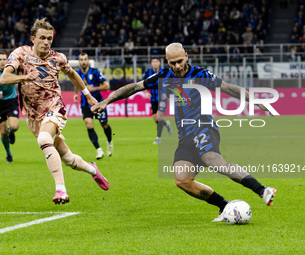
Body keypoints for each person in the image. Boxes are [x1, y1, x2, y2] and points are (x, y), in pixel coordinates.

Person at [91, 43, 276, 222]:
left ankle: (262, 189)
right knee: (182, 180)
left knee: (213, 161)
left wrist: (254, 100)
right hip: (185, 137)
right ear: (167, 61)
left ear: (186, 56)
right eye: (173, 63)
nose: (177, 66)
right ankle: (225, 206)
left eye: (180, 61)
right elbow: (134, 87)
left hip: (204, 127)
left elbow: (227, 87)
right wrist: (107, 101)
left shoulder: (200, 74)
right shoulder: (163, 76)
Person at [0, 18, 109, 204]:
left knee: (44, 139)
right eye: (42, 38)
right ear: (33, 39)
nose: (46, 42)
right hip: (33, 116)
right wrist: (26, 77)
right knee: (68, 159)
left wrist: (88, 95)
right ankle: (92, 169)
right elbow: (4, 78)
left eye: (49, 38)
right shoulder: (20, 53)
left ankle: (61, 191)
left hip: (54, 108)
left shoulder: (57, 58)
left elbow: (73, 74)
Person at [74, 53, 113, 159]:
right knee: (89, 125)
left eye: (85, 59)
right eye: (81, 59)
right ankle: (99, 150)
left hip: (98, 103)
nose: (83, 61)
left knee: (104, 125)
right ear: (79, 61)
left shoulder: (95, 72)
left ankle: (109, 141)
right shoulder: (77, 73)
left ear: (88, 60)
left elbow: (106, 85)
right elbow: (77, 84)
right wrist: (75, 94)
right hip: (85, 104)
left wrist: (93, 89)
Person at [143, 57, 172, 144]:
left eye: (156, 61)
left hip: (162, 98)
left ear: (159, 63)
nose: (155, 63)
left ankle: (158, 138)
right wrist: (146, 92)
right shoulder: (148, 72)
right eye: (153, 61)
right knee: (156, 119)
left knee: (159, 117)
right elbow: (143, 83)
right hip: (153, 98)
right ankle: (166, 124)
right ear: (151, 63)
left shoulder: (164, 72)